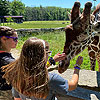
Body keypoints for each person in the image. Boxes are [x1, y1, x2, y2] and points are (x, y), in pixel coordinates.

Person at [2, 37, 83, 100]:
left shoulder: (17, 76)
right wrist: (77, 67)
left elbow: (17, 98)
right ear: (43, 55)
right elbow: (73, 85)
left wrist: (52, 61)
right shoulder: (51, 79)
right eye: (48, 52)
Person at [0, 26, 18, 100]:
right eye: (15, 39)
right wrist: (50, 62)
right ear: (4, 39)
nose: (17, 41)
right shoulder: (8, 61)